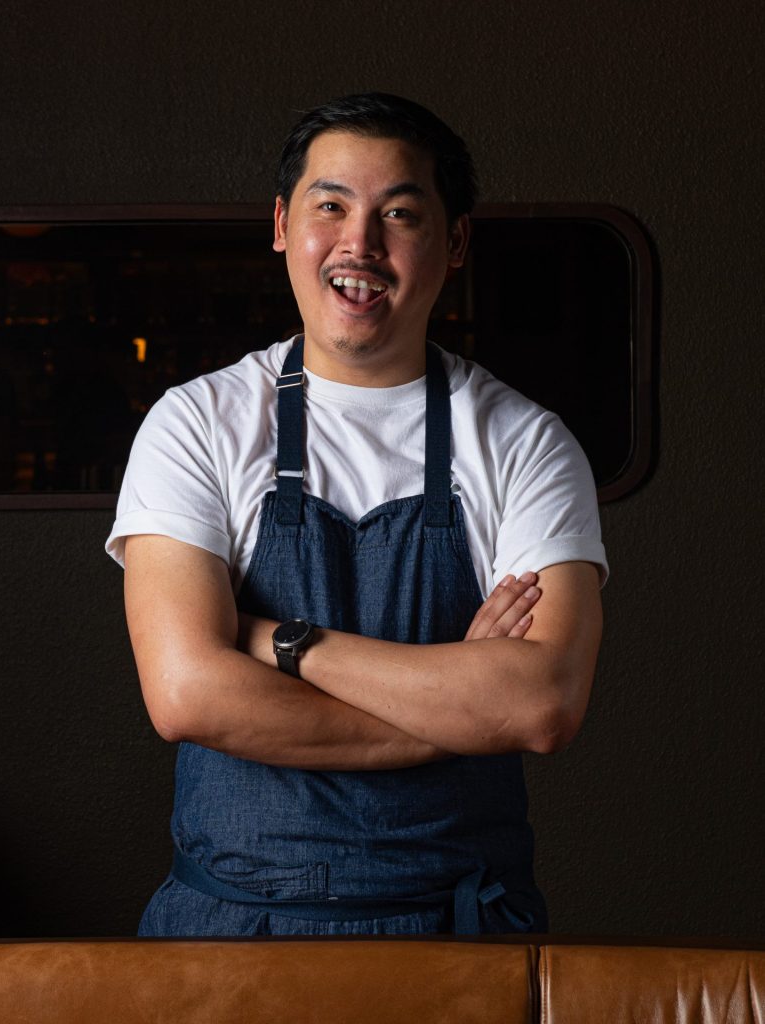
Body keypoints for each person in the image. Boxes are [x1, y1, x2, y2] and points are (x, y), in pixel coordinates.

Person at [106, 92, 607, 937]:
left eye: (399, 214)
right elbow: (187, 695)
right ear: (281, 225)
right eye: (330, 206)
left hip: (460, 939)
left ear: (454, 242)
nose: (359, 245)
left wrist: (280, 643)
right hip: (231, 935)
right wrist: (455, 707)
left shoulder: (526, 443)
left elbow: (539, 704)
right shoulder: (196, 424)